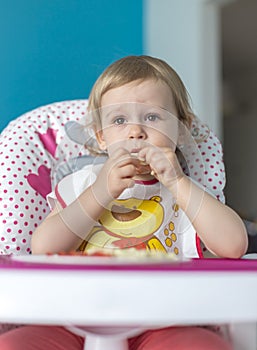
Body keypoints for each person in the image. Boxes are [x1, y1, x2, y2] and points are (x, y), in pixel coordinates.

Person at [0, 55, 248, 349]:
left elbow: (234, 246)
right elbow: (44, 248)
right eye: (120, 120)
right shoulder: (80, 186)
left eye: (152, 117)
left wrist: (178, 182)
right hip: (68, 317)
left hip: (165, 320)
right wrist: (101, 191)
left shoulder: (187, 191)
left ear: (181, 130)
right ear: (101, 137)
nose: (135, 131)